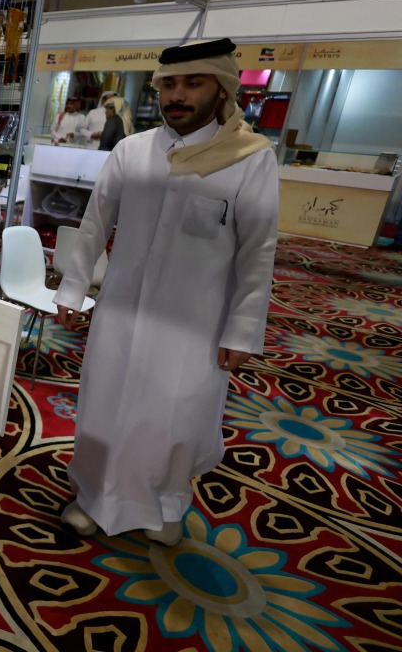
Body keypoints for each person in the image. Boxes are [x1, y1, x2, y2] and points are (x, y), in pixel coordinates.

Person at [53, 38, 279, 546]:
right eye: (169, 85)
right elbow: (94, 226)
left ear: (221, 90)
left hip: (195, 322)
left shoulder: (251, 159)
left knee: (176, 415)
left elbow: (257, 251)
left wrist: (242, 330)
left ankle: (164, 507)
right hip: (120, 312)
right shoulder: (132, 151)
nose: (177, 95)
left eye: (192, 84)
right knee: (103, 406)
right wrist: (72, 290)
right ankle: (91, 498)